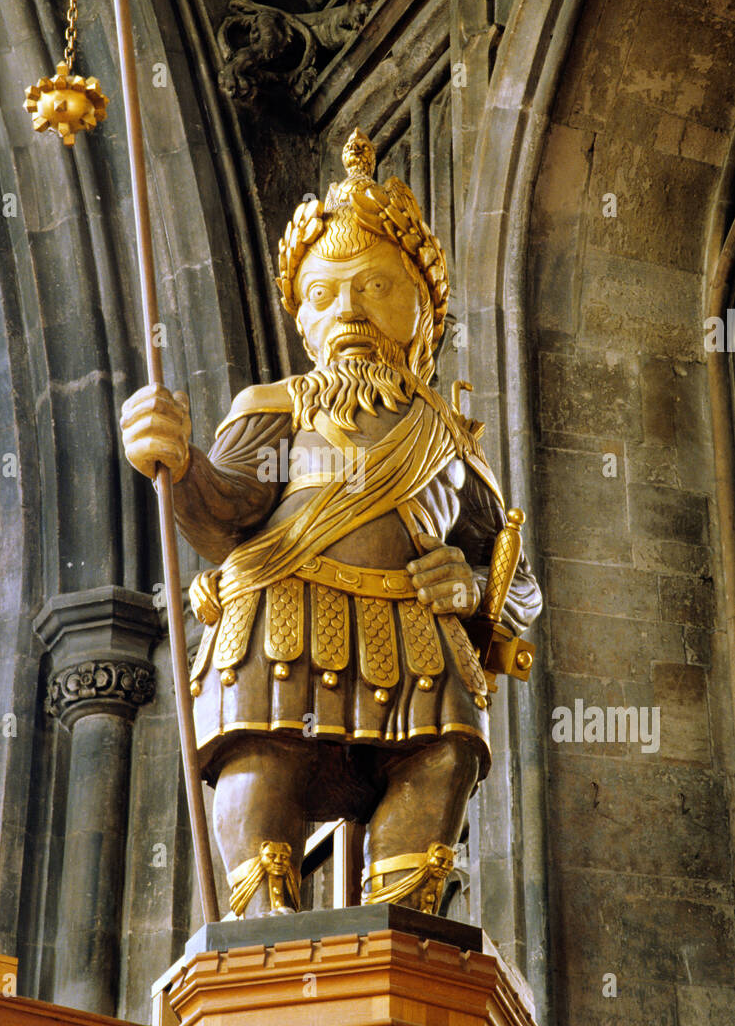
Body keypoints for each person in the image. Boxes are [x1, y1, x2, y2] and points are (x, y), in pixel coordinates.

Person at [120, 129, 541, 919]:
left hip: (414, 628)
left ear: (423, 311)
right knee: (265, 752)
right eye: (323, 293)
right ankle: (261, 920)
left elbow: (519, 585)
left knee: (444, 756)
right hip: (284, 613)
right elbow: (228, 511)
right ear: (301, 323)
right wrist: (176, 462)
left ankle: (406, 923)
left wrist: (476, 584)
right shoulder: (273, 409)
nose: (347, 308)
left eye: (375, 286)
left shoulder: (449, 441)